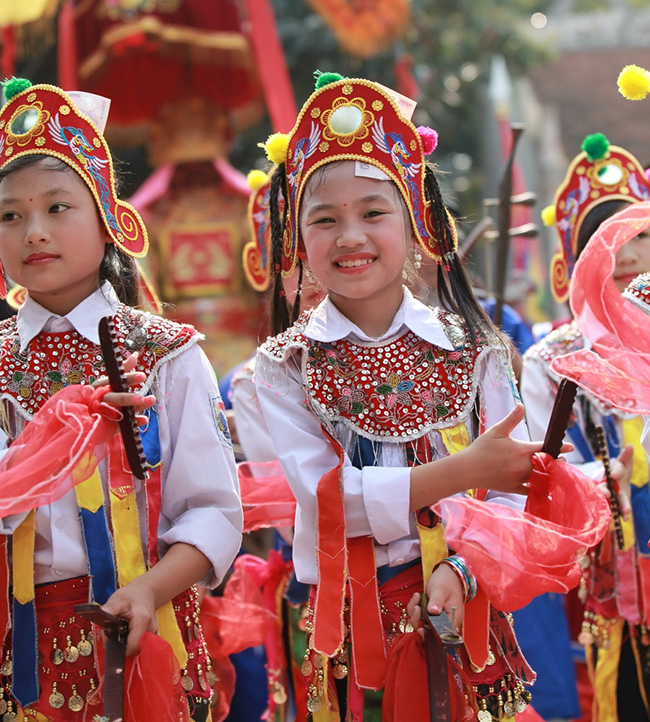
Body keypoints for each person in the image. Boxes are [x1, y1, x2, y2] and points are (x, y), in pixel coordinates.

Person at [250, 70, 561, 721]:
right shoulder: (285, 366)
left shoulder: (474, 346)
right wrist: (462, 471)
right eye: (325, 219)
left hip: (468, 617)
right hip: (352, 643)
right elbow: (331, 504)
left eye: (373, 213)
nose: (350, 236)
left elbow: (513, 491)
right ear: (297, 238)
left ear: (416, 219)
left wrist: (462, 570)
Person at [0, 77, 242, 722]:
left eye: (58, 208)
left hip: (148, 629)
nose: (33, 232)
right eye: (10, 215)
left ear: (110, 220)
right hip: (17, 648)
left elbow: (214, 511)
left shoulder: (166, 354)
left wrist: (148, 590)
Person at [521, 134, 650, 721]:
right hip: (611, 578)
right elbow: (543, 473)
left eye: (638, 233)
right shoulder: (553, 360)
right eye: (601, 236)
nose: (624, 252)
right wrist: (604, 478)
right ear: (571, 263)